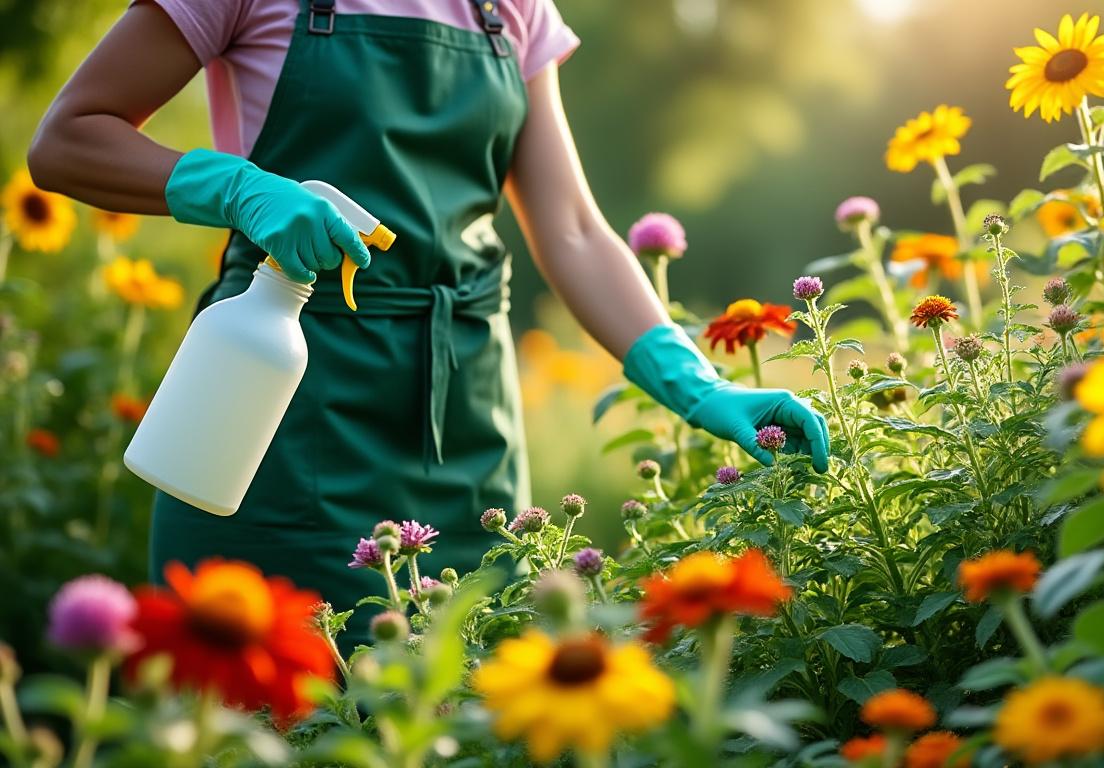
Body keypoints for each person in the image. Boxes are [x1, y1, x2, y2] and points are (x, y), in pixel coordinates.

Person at [28, 0, 829, 643]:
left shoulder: (508, 7)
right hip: (272, 412)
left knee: (470, 708)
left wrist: (698, 385)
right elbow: (68, 138)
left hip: (464, 432)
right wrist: (239, 188)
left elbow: (574, 230)